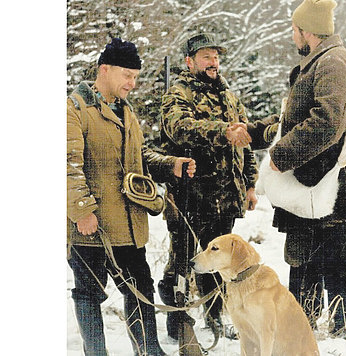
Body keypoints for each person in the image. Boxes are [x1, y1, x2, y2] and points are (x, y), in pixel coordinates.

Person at [67, 38, 196, 356]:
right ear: (104, 69)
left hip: (129, 225)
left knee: (140, 289)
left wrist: (171, 165)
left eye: (136, 77)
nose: (132, 83)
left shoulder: (127, 112)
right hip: (90, 228)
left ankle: (150, 351)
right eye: (127, 75)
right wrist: (82, 210)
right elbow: (66, 164)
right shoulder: (74, 110)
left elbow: (140, 156)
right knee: (89, 294)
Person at [267, 0, 346, 338]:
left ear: (306, 31)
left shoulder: (331, 63)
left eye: (294, 29)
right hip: (312, 180)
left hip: (325, 180)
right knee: (308, 256)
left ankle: (338, 331)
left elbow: (326, 123)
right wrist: (258, 132)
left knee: (331, 258)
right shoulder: (322, 61)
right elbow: (294, 118)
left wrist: (281, 155)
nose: (292, 35)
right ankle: (306, 324)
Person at [156, 33, 259, 340]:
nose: (213, 63)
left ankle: (214, 318)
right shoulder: (177, 94)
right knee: (182, 263)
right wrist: (222, 131)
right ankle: (177, 322)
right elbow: (181, 129)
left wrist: (250, 184)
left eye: (216, 57)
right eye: (206, 57)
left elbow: (245, 143)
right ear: (190, 62)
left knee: (216, 264)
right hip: (190, 196)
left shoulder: (228, 95)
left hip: (225, 198)